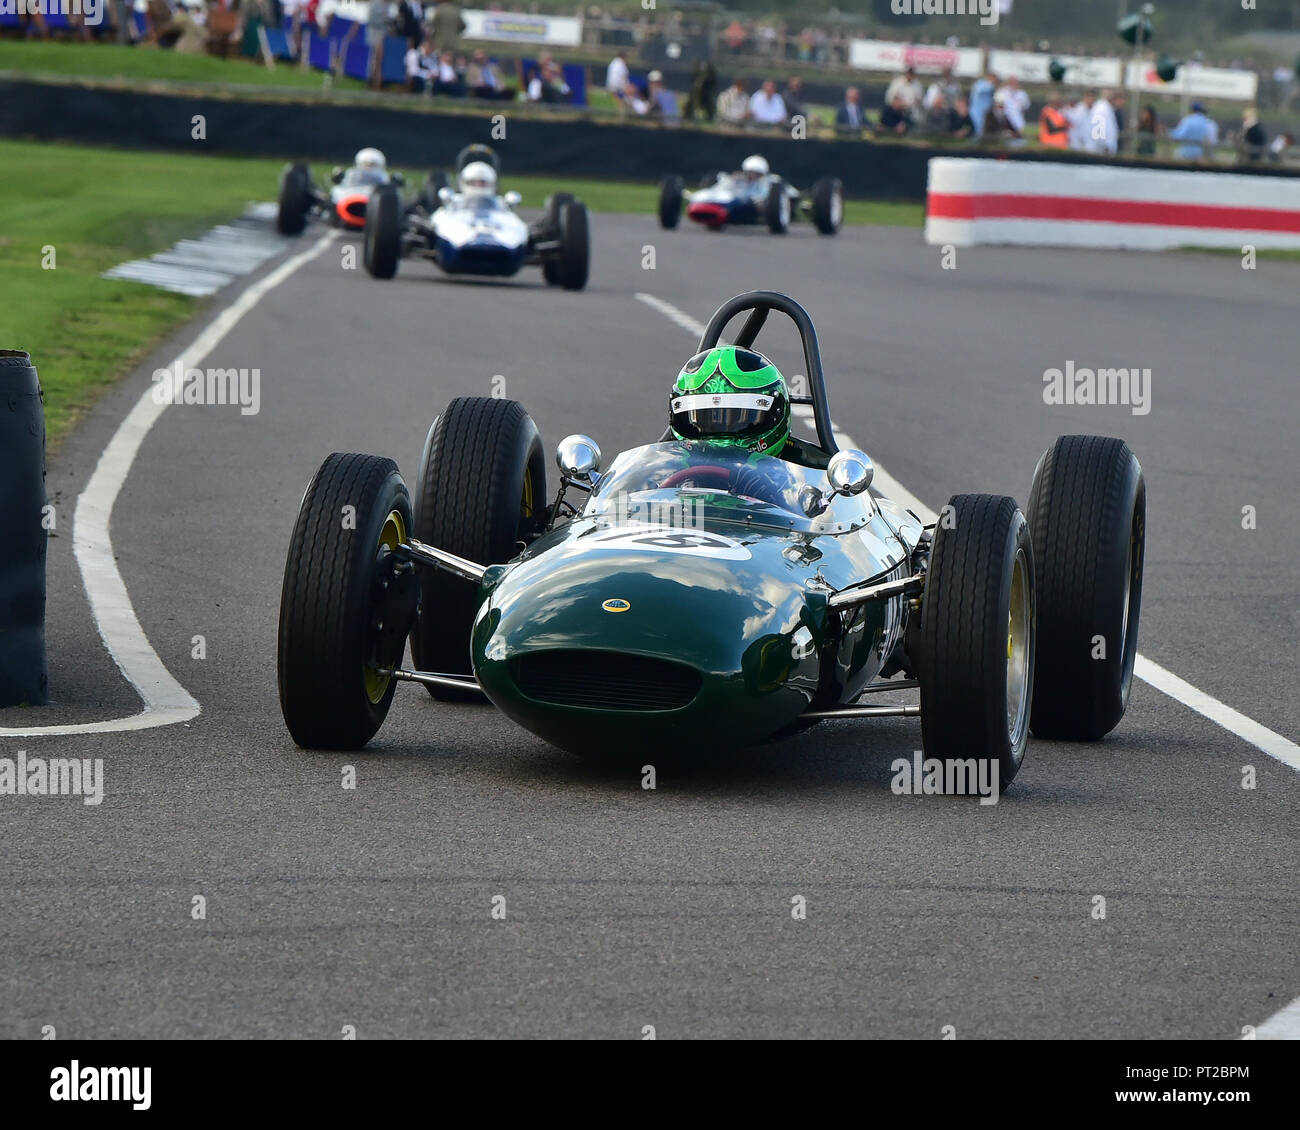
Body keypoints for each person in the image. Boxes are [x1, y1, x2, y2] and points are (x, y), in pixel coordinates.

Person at [668, 345, 816, 466]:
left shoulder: (805, 478)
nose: (721, 444)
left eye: (739, 418)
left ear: (777, 412)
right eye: (704, 418)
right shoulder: (658, 470)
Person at [969, 71, 996, 139]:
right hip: (976, 109)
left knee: (982, 128)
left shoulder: (991, 86)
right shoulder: (981, 83)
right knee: (977, 126)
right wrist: (990, 85)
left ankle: (978, 140)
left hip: (985, 111)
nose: (994, 80)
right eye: (993, 78)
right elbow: (979, 90)